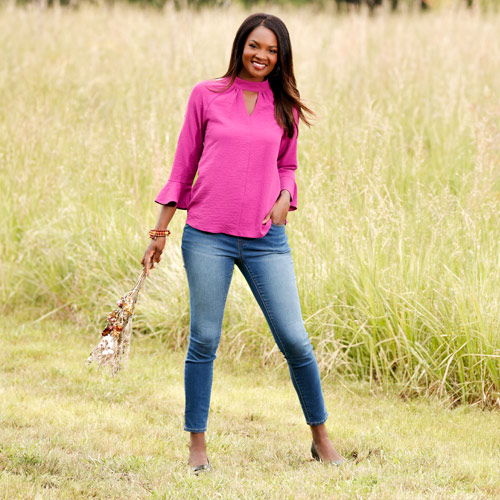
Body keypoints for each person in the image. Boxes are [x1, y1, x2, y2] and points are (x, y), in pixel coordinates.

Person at [141, 12, 345, 473]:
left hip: (265, 239)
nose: (262, 56)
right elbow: (183, 167)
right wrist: (159, 232)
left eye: (272, 50)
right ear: (240, 46)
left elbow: (288, 166)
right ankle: (197, 447)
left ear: (281, 57)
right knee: (204, 339)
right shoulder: (206, 94)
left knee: (295, 339)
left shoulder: (285, 106)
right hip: (207, 236)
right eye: (255, 45)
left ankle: (321, 439)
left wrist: (286, 196)